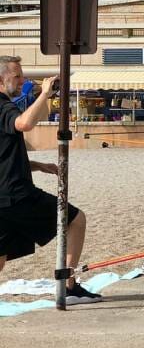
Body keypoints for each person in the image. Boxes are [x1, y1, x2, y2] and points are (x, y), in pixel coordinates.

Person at [0, 56, 101, 304]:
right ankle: (68, 283)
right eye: (17, 76)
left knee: (0, 256)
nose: (22, 81)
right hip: (17, 195)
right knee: (76, 220)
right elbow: (24, 123)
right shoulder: (4, 106)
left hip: (3, 196)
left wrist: (36, 165)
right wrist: (45, 94)